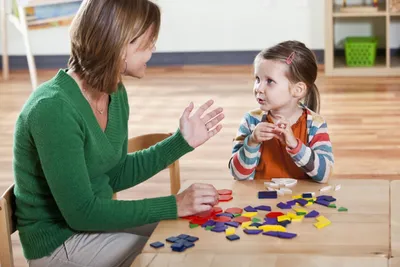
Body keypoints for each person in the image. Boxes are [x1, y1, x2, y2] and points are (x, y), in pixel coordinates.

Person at [13, 0, 224, 266]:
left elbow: (114, 173)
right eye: (147, 43)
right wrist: (174, 204)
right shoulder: (52, 109)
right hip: (60, 243)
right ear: (120, 45)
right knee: (168, 255)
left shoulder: (114, 92)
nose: (154, 49)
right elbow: (82, 213)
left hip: (94, 224)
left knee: (195, 230)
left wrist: (180, 143)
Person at [229, 40, 334, 183]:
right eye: (258, 79)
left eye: (270, 81)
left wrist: (295, 146)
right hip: (260, 200)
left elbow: (324, 175)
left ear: (298, 90)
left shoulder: (316, 124)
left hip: (301, 201)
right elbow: (237, 175)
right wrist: (252, 142)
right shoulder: (250, 121)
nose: (259, 88)